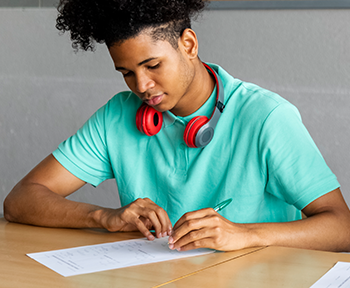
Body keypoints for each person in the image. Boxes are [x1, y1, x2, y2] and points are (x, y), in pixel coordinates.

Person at [4, 0, 350, 252]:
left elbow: (341, 228)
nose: (141, 86)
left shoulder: (266, 117)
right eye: (126, 72)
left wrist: (248, 234)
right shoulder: (117, 116)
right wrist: (104, 217)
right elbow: (20, 200)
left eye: (152, 65)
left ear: (188, 44)